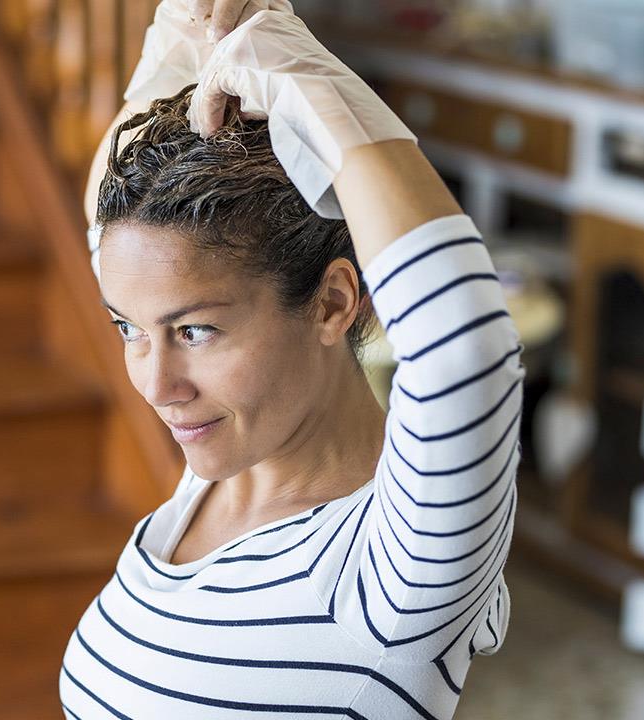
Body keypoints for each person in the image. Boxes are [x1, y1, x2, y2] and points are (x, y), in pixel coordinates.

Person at [60, 3, 523, 718]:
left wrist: (307, 78)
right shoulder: (222, 473)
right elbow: (119, 241)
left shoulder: (392, 572)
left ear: (334, 304)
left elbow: (465, 343)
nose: (156, 386)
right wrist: (185, 44)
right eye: (130, 329)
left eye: (196, 333)